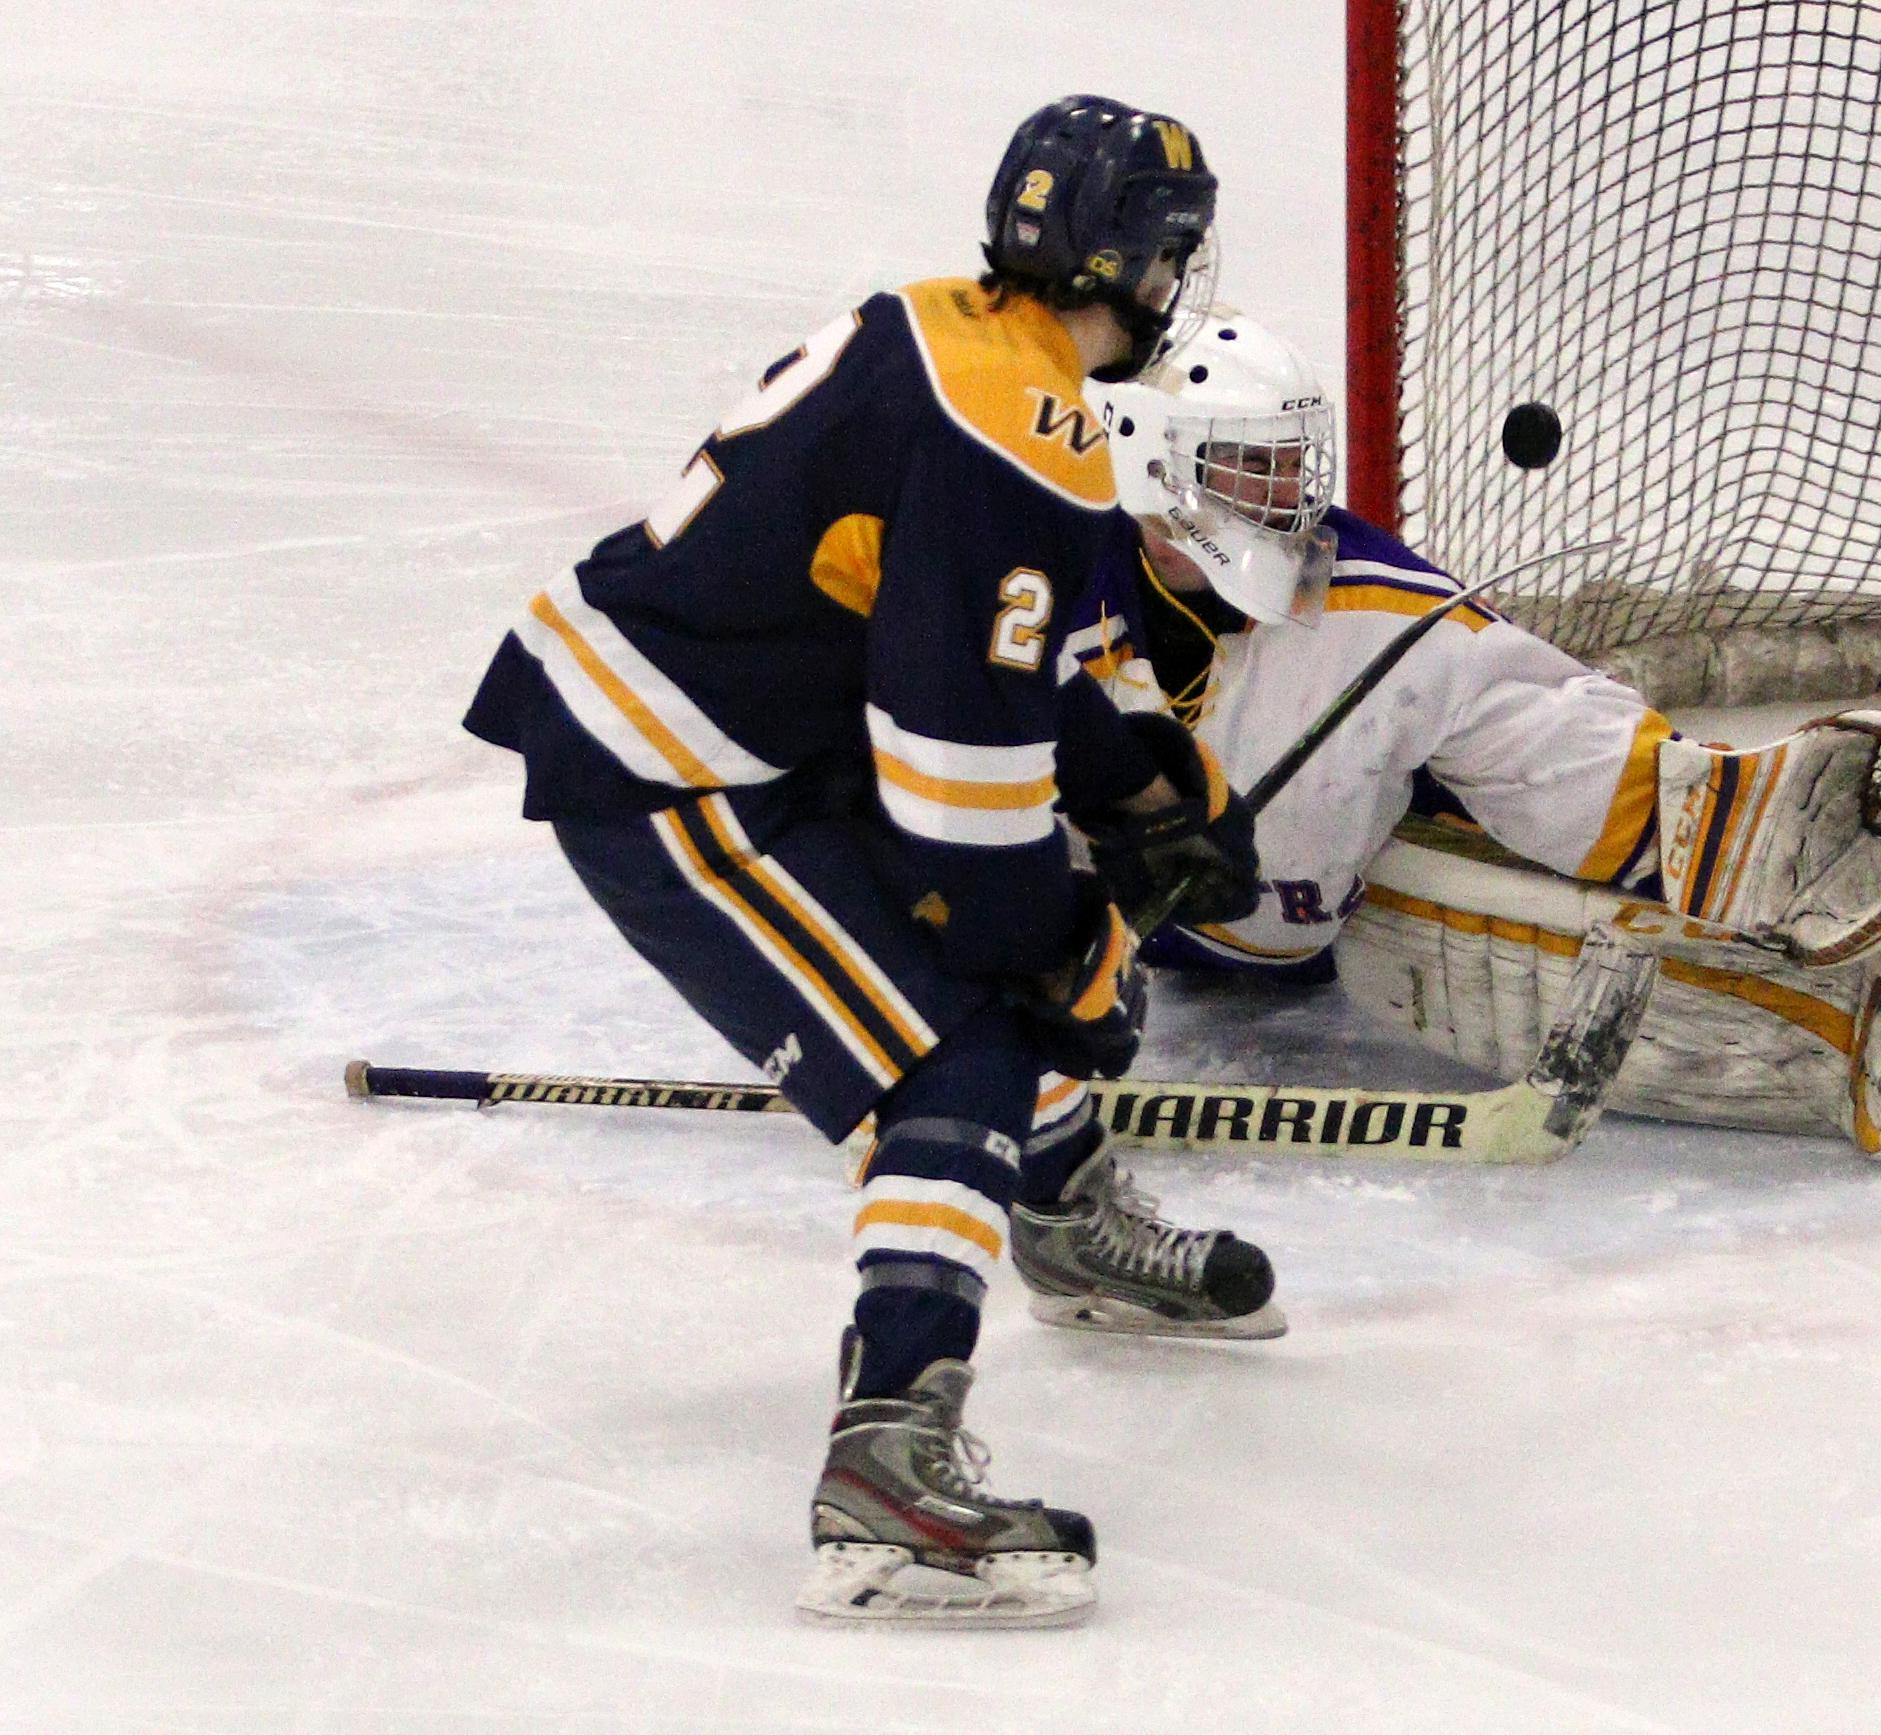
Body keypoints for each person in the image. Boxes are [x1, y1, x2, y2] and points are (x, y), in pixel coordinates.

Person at [460, 95, 1273, 1628]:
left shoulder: (948, 333)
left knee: (995, 975)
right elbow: (960, 784)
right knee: (955, 1049)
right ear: (1128, 261)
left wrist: (1141, 781)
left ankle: (1061, 1209)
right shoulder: (1020, 431)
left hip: (742, 726)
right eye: (1170, 253)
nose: (1179, 282)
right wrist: (1063, 936)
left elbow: (968, 645)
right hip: (674, 774)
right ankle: (887, 1466)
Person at [1087, 312, 1881, 1171]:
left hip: (1314, 922)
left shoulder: (1372, 613)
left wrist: (1696, 808)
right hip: (1094, 918)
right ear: (1151, 460)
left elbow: (1539, 734)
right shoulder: (1043, 575)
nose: (1280, 504)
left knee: (1509, 881)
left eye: (1287, 472)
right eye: (1242, 471)